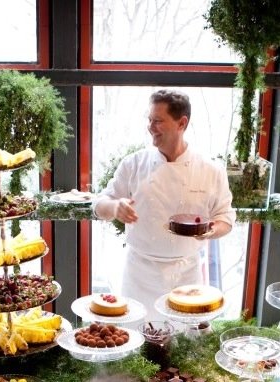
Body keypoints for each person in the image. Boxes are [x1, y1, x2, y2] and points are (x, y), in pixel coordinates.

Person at [93, 89, 236, 321]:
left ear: (182, 123)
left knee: (183, 347)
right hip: (139, 273)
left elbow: (226, 218)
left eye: (158, 121)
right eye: (149, 120)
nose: (150, 127)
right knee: (136, 339)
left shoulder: (210, 169)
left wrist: (210, 230)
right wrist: (115, 207)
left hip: (186, 276)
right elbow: (99, 204)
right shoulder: (134, 164)